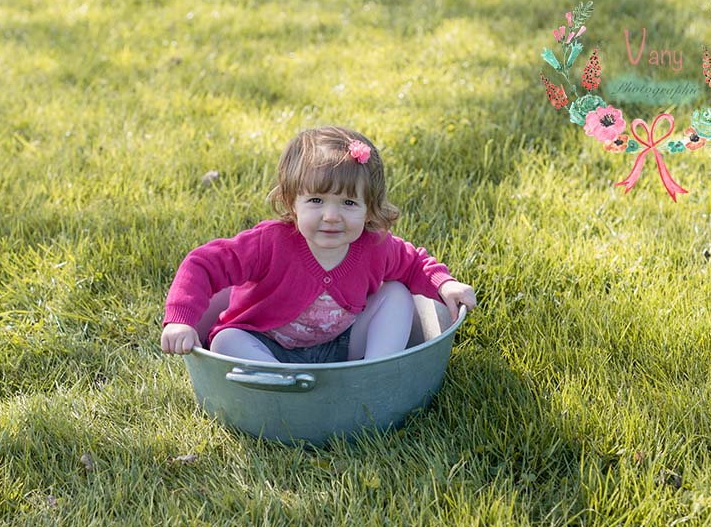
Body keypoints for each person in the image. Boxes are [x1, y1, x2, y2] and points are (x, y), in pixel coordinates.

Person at [160, 126, 476, 362]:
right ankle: (280, 386)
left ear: (370, 208)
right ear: (291, 202)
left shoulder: (373, 246)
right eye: (315, 200)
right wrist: (180, 320)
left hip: (340, 346)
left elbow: (413, 263)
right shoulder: (269, 243)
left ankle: (375, 370)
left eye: (349, 203)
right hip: (265, 345)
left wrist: (444, 284)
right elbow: (203, 264)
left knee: (396, 293)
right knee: (227, 340)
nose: (331, 216)